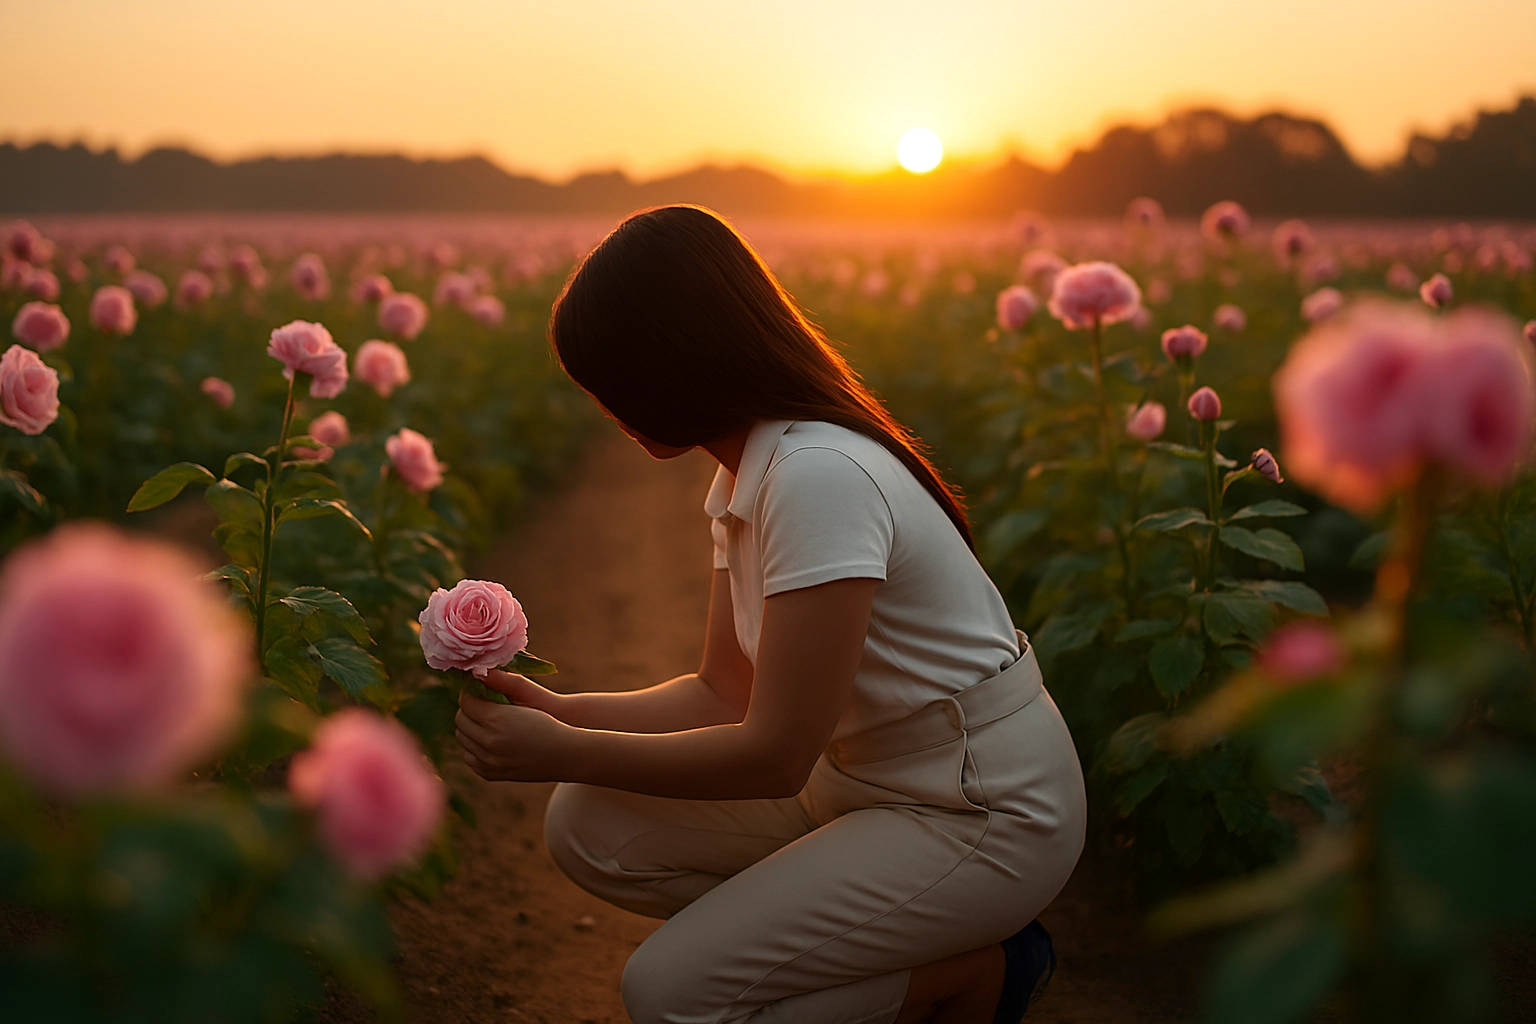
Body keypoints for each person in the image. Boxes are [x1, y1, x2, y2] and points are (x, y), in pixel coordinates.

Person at [453, 205, 1087, 1024]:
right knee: (588, 821)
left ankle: (977, 974)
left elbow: (776, 756)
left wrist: (566, 749)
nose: (609, 408)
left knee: (671, 994)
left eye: (615, 379)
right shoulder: (744, 475)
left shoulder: (817, 475)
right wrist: (561, 714)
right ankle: (876, 947)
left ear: (678, 359)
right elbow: (723, 693)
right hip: (862, 783)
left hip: (973, 808)